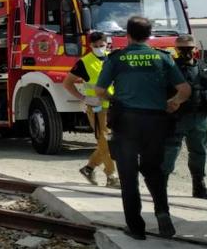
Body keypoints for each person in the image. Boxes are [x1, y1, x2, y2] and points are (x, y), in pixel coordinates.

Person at [96, 16, 191, 240]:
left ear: (127, 35)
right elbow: (185, 89)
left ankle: (136, 228)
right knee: (153, 171)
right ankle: (162, 212)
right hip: (155, 123)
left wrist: (114, 98)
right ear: (149, 36)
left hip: (126, 122)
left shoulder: (117, 59)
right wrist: (173, 102)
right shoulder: (162, 58)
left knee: (128, 177)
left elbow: (100, 90)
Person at [162, 34, 207, 200]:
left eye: (189, 48)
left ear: (195, 49)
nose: (186, 52)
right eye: (182, 49)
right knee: (170, 152)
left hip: (199, 117)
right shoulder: (170, 68)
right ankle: (160, 187)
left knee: (199, 153)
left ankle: (199, 186)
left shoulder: (203, 67)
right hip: (176, 118)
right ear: (176, 50)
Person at [62, 31, 119, 188]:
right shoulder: (84, 62)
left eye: (102, 45)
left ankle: (89, 169)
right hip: (96, 107)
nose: (100, 48)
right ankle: (111, 176)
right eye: (96, 46)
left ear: (107, 43)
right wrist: (83, 98)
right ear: (90, 46)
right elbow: (67, 83)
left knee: (109, 142)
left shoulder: (113, 58)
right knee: (105, 141)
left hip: (114, 106)